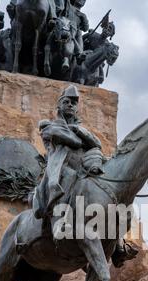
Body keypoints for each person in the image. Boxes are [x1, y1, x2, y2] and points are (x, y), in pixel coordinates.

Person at [32, 84, 104, 227]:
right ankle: (60, 220)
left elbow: (97, 144)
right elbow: (74, 142)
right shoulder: (49, 127)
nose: (70, 105)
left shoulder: (78, 128)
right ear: (59, 106)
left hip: (83, 167)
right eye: (66, 102)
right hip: (60, 170)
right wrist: (81, 137)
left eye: (74, 103)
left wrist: (77, 129)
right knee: (70, 176)